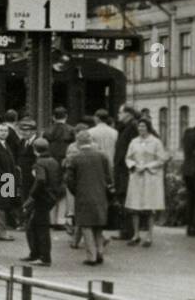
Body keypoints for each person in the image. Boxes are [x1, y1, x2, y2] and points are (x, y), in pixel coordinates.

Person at [65, 129, 113, 266]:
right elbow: (109, 176)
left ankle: (91, 256)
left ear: (78, 143)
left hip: (83, 196)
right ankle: (99, 252)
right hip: (100, 195)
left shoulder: (75, 158)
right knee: (98, 226)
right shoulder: (102, 156)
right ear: (91, 141)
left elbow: (69, 180)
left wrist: (76, 191)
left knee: (86, 226)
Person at [124, 118, 167, 248]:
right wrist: (133, 165)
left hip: (150, 177)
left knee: (150, 207)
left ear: (148, 127)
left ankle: (149, 236)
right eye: (139, 127)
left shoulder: (156, 142)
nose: (141, 129)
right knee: (135, 207)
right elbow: (128, 157)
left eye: (143, 126)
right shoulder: (134, 141)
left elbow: (161, 159)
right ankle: (136, 235)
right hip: (137, 176)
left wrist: (147, 166)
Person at [23, 138, 61, 267]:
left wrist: (32, 195)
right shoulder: (54, 161)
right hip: (51, 197)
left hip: (41, 198)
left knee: (38, 227)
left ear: (35, 149)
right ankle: (36, 254)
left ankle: (43, 257)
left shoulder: (39, 163)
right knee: (36, 226)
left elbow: (40, 180)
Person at [44, 107, 75, 228]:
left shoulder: (47, 131)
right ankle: (61, 219)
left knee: (51, 190)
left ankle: (51, 219)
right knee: (64, 191)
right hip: (64, 164)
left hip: (50, 164)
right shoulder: (71, 130)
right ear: (66, 116)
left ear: (53, 117)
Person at [112, 105, 140, 239]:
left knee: (126, 198)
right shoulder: (125, 127)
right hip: (122, 168)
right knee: (123, 198)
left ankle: (128, 231)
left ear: (128, 114)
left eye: (120, 112)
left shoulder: (132, 127)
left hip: (126, 169)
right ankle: (126, 230)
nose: (118, 115)